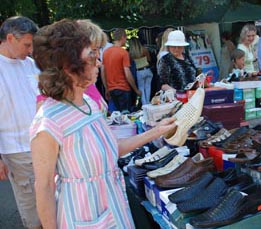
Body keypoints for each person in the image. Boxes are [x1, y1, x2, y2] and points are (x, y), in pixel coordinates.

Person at [30, 19, 176, 228]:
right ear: (68, 66)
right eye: (91, 56)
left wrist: (157, 132)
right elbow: (43, 187)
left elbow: (110, 150)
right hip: (82, 215)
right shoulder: (49, 121)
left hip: (114, 207)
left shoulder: (89, 104)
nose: (98, 62)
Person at [0, 16, 41, 229]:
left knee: (50, 201)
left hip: (43, 144)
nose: (30, 49)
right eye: (27, 44)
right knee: (32, 209)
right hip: (16, 150)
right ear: (9, 38)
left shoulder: (31, 65)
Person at [102, 28, 141, 113]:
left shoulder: (106, 52)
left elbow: (103, 71)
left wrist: (106, 88)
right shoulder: (123, 53)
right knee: (125, 115)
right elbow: (127, 73)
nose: (126, 40)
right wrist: (135, 89)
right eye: (126, 38)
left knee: (115, 115)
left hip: (111, 89)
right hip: (123, 88)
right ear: (123, 37)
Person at [129, 37, 153, 105]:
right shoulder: (144, 50)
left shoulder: (130, 53)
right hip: (147, 69)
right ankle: (148, 103)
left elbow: (130, 64)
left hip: (139, 71)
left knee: (141, 88)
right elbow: (149, 59)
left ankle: (144, 105)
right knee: (148, 87)